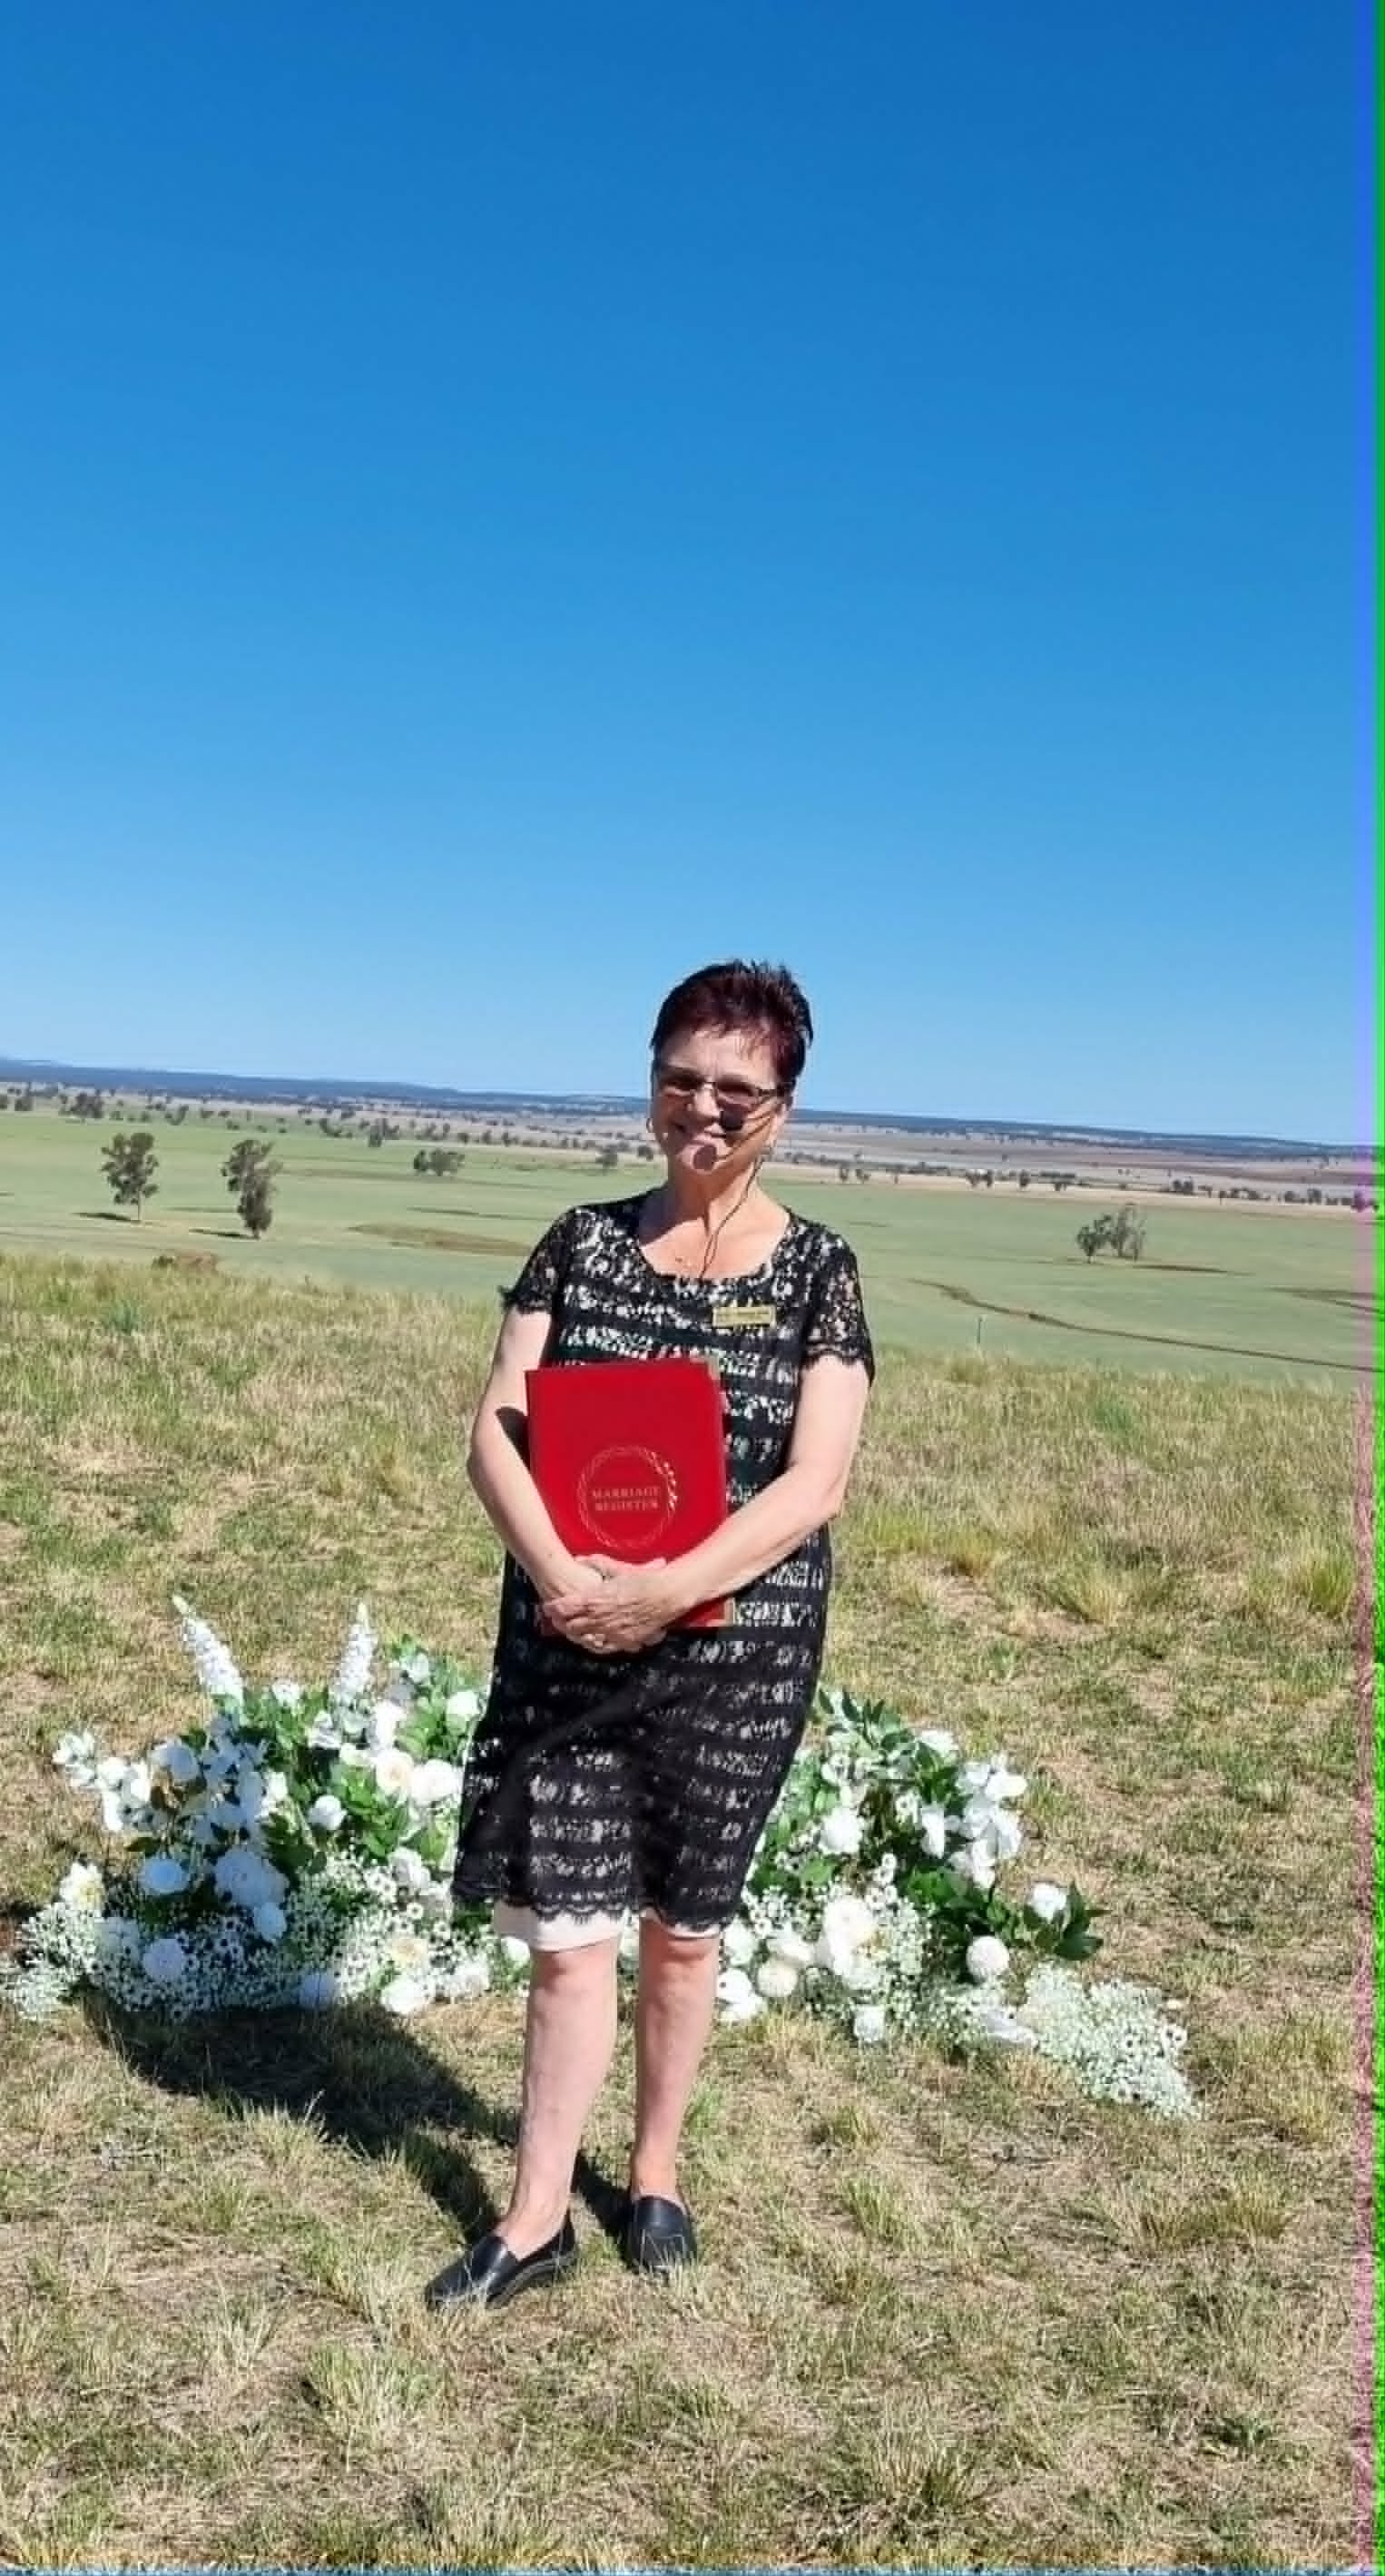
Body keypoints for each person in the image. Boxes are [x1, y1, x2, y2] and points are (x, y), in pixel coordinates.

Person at [426, 959, 874, 2311]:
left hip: (735, 1652)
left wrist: (666, 1589)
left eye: (737, 1088)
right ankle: (535, 2213)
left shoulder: (818, 1272)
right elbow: (495, 1422)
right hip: (568, 1630)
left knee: (682, 1928)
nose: (704, 1106)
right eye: (681, 1076)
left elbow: (817, 1481)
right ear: (650, 1083)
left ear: (782, 1108)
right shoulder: (576, 1240)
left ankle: (659, 2169)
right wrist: (571, 1577)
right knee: (568, 1934)